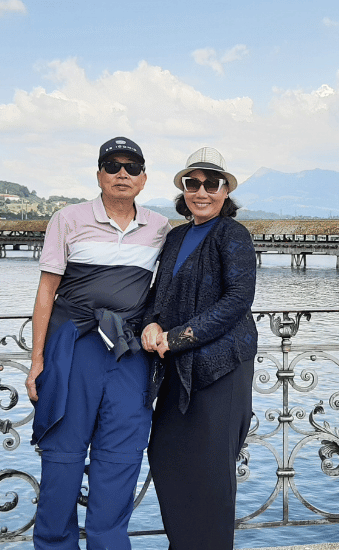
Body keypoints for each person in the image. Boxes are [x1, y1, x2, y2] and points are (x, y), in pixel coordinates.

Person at [25, 136, 170, 550]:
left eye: (132, 167)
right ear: (99, 175)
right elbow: (45, 293)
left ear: (143, 179)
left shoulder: (160, 228)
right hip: (74, 349)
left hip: (129, 354)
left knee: (120, 462)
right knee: (62, 462)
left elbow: (170, 289)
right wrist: (37, 361)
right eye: (112, 166)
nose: (122, 173)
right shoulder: (67, 219)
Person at [141, 146, 258, 549]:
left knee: (210, 475)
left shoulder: (233, 234)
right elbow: (159, 294)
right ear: (184, 190)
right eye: (193, 183)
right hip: (176, 368)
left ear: (226, 191)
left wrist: (179, 337)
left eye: (212, 183)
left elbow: (238, 299)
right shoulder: (175, 237)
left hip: (221, 369)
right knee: (167, 457)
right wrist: (152, 324)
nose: (202, 191)